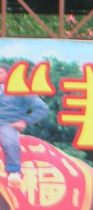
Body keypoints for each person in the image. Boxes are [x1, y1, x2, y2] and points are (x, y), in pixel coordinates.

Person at [0, 63, 49, 191]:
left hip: (7, 123)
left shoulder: (21, 90)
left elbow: (42, 108)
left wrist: (24, 121)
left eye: (0, 72)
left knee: (9, 140)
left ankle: (14, 171)